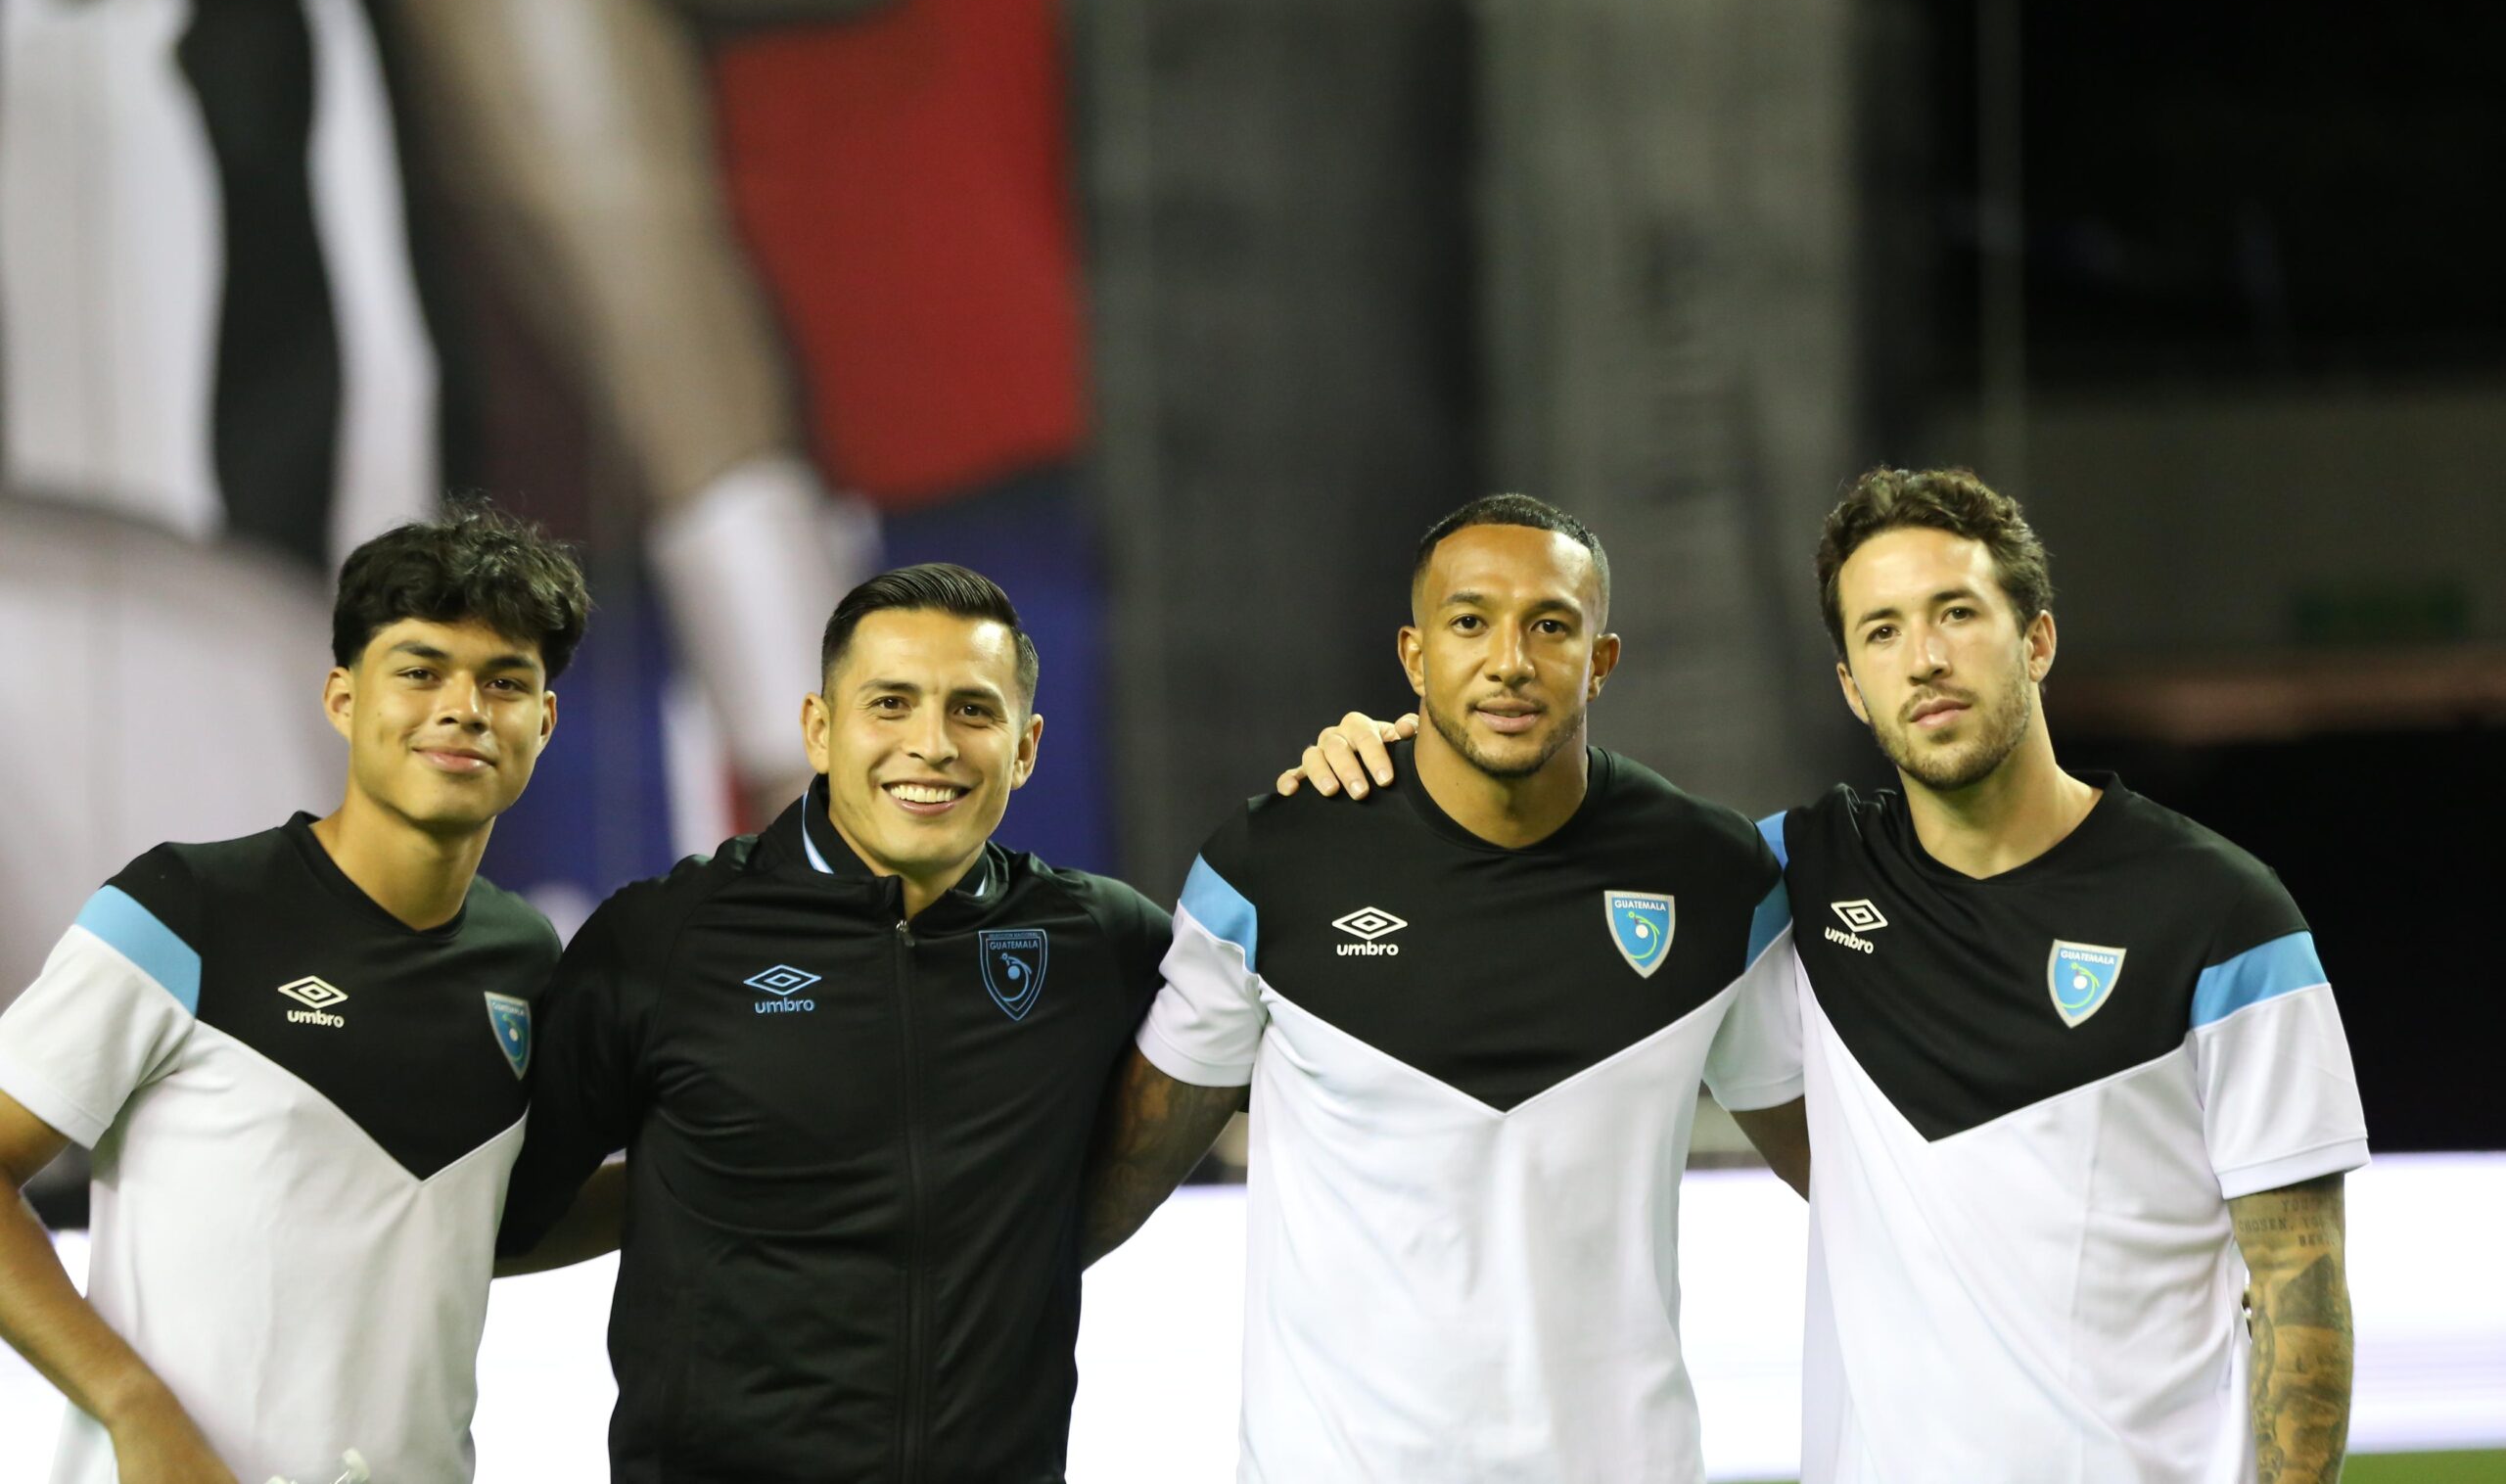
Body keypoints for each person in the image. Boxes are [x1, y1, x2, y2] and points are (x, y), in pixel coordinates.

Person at [1293, 468, 2367, 1484]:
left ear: (2035, 640)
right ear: (1852, 687)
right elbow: (1527, 847)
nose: (1925, 659)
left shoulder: (2224, 917)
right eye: (1883, 632)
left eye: (1956, 613)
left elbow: (2298, 1292)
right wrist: (1398, 760)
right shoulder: (1785, 887)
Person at [1079, 493, 1809, 1483]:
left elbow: (1854, 1178)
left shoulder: (1717, 880)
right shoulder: (1271, 865)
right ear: (1416, 658)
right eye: (1469, 623)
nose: (1508, 658)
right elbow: (1119, 1174)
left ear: (1601, 661)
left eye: (1549, 624)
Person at [493, 563, 1171, 1482]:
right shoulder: (664, 938)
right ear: (819, 729)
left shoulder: (1102, 938)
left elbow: (1291, 1051)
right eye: (890, 703)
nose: (931, 744)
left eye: (973, 709)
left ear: (1027, 746)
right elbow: (501, 1216)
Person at [0, 500, 592, 1484]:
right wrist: (132, 1405)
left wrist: (726, 1171)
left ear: (544, 719)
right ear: (341, 698)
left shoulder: (523, 955)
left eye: (504, 681)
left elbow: (476, 1228)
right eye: (420, 671)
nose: (464, 708)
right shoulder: (186, 906)